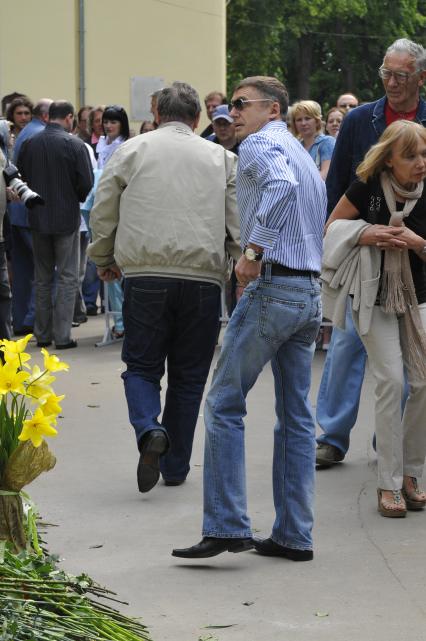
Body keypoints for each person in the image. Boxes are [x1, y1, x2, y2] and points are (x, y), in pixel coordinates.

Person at [172, 75, 326, 561]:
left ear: (273, 110)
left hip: (275, 286)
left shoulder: (262, 144)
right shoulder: (300, 151)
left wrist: (253, 251)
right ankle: (293, 534)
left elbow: (278, 187)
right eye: (229, 106)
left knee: (222, 402)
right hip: (306, 293)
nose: (232, 113)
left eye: (241, 105)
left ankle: (227, 524)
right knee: (297, 416)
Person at [87, 82, 240, 492]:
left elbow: (104, 210)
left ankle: (147, 429)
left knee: (141, 366)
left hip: (145, 274)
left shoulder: (131, 151)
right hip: (203, 279)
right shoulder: (222, 158)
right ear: (196, 119)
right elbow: (236, 219)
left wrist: (103, 258)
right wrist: (235, 260)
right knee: (189, 376)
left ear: (157, 116)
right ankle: (175, 467)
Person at [316, 38, 426, 467]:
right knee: (345, 346)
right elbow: (340, 186)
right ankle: (333, 435)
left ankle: (391, 441)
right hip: (365, 261)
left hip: (415, 268)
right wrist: (342, 238)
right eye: (386, 73)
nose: (392, 82)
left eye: (401, 75)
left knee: (409, 369)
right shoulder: (362, 119)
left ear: (420, 77)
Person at [322, 120, 426, 516]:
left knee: (422, 383)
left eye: (424, 155)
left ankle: (413, 474)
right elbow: (332, 227)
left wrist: (418, 244)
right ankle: (389, 483)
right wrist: (365, 233)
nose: (420, 163)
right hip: (375, 297)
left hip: (420, 299)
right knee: (391, 381)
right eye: (410, 156)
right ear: (388, 160)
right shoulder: (367, 186)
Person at [17, 100, 94, 349]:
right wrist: (75, 198)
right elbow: (86, 181)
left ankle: (43, 334)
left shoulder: (30, 143)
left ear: (49, 116)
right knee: (68, 277)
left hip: (38, 217)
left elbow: (21, 177)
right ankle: (62, 336)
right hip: (66, 218)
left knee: (42, 278)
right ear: (69, 118)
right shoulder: (75, 144)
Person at [9, 98, 52, 336]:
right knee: (44, 271)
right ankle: (32, 319)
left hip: (16, 212)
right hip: (32, 211)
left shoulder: (25, 134)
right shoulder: (41, 135)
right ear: (46, 116)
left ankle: (19, 319)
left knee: (24, 272)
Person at [290, 100, 335, 180]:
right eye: (299, 120)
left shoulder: (327, 142)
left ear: (317, 121)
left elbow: (326, 174)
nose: (303, 123)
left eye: (307, 118)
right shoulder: (295, 146)